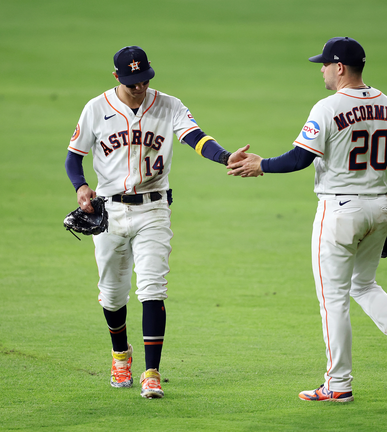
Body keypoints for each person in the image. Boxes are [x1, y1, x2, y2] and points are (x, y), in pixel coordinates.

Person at [227, 37, 387, 402]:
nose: (320, 69)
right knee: (364, 286)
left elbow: (301, 158)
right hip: (379, 209)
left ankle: (338, 385)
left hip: (339, 213)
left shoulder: (329, 107)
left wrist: (262, 165)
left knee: (333, 299)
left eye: (324, 64)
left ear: (340, 68)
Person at [65, 45, 248, 399]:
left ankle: (152, 372)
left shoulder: (169, 105)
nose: (140, 88)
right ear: (117, 78)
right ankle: (121, 355)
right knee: (113, 295)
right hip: (110, 212)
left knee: (152, 287)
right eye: (132, 82)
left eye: (144, 80)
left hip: (154, 209)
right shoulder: (96, 108)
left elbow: (195, 137)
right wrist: (81, 186)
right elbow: (74, 158)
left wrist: (225, 156)